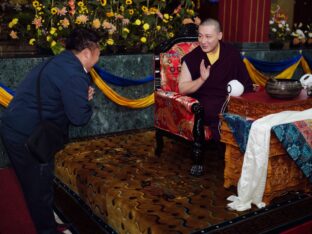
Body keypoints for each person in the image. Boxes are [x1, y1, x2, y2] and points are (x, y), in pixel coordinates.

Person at [0, 27, 100, 234]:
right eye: (99, 52)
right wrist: (86, 101)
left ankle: (47, 223)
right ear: (88, 53)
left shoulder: (62, 60)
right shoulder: (74, 74)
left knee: (36, 184)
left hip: (18, 126)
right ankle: (47, 230)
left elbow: (56, 95)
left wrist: (78, 97)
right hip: (28, 136)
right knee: (39, 188)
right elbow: (79, 117)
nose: (99, 57)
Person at [179, 18, 253, 146]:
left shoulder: (231, 54)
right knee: (217, 113)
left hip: (230, 99)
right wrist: (201, 79)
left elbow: (246, 84)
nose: (203, 41)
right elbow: (182, 88)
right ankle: (227, 151)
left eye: (208, 37)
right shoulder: (192, 58)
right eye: (200, 36)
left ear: (219, 36)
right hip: (206, 103)